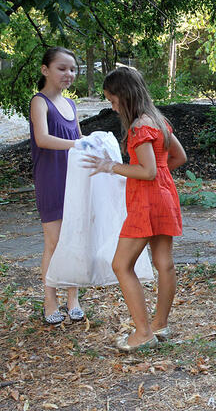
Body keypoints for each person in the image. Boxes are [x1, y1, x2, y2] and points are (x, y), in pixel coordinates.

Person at [82, 67, 187, 351]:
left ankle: (143, 333)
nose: (112, 106)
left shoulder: (140, 127)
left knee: (120, 264)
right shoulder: (158, 120)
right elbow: (178, 157)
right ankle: (160, 324)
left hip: (147, 202)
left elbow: (148, 171)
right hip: (165, 197)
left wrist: (111, 166)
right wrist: (160, 177)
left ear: (125, 96)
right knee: (164, 262)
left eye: (113, 100)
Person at [30, 46, 87, 325]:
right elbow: (42, 138)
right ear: (45, 70)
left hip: (73, 178)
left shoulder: (71, 104)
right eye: (62, 68)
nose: (69, 74)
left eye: (73, 69)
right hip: (50, 178)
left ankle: (72, 298)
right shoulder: (39, 102)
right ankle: (49, 299)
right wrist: (78, 143)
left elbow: (79, 137)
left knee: (73, 240)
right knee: (54, 242)